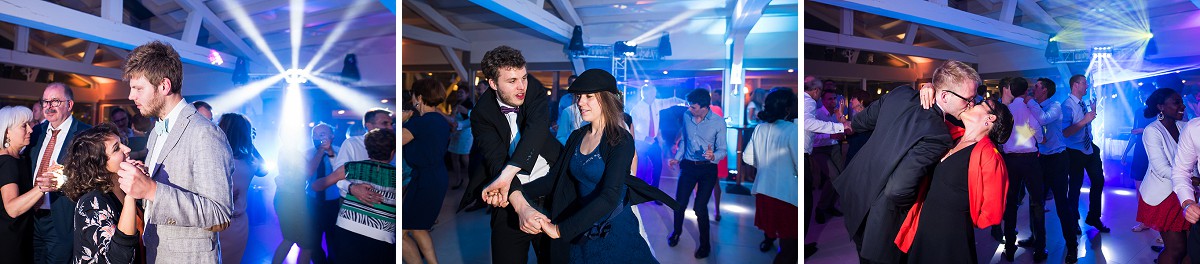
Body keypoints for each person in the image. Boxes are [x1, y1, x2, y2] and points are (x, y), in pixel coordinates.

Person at [504, 68, 676, 263]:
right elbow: (554, 179)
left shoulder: (620, 140)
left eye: (589, 96)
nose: (580, 102)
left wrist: (559, 229)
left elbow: (610, 196)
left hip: (614, 231)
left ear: (606, 99)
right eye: (579, 96)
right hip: (582, 228)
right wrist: (513, 190)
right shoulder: (577, 137)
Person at [834, 60, 979, 263]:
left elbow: (860, 122)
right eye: (968, 99)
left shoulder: (900, 94)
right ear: (945, 95)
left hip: (855, 192)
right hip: (882, 218)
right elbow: (897, 190)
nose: (971, 104)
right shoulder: (938, 134)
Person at [116, 40, 233, 263]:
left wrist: (152, 190)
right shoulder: (156, 131)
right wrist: (144, 177)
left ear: (164, 86)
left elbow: (220, 215)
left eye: (138, 88)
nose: (131, 96)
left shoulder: (204, 133)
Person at [467, 45, 561, 264]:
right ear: (492, 83)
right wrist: (521, 206)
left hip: (552, 188)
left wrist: (504, 176)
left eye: (523, 78)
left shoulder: (534, 89)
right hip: (510, 195)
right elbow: (495, 159)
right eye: (512, 81)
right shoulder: (481, 113)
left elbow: (536, 133)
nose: (521, 87)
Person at [896, 99, 1012, 263]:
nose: (972, 103)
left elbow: (992, 212)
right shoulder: (952, 135)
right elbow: (928, 114)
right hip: (924, 226)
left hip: (951, 236)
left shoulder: (990, 156)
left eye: (981, 103)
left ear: (990, 118)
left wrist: (960, 215)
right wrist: (930, 89)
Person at [24, 82, 93, 264]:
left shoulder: (86, 134)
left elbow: (92, 176)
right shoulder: (36, 132)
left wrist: (62, 181)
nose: (49, 107)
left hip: (63, 218)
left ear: (69, 105)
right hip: (32, 218)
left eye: (55, 101)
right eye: (45, 102)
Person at [310, 129, 397, 263]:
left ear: (367, 149)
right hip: (382, 235)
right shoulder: (398, 176)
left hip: (347, 229)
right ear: (392, 153)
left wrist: (349, 186)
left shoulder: (352, 168)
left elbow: (317, 186)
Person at [61, 124, 139, 264]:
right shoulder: (92, 203)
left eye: (123, 143)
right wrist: (131, 195)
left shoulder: (121, 187)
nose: (127, 149)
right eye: (117, 148)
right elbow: (119, 258)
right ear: (99, 164)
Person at [664, 88, 728, 259]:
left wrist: (714, 155)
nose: (689, 109)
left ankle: (705, 245)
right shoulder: (687, 116)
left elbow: (723, 149)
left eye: (693, 107)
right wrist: (677, 158)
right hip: (688, 167)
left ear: (705, 107)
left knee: (700, 208)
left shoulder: (718, 122)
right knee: (679, 203)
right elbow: (684, 140)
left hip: (708, 169)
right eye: (689, 106)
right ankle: (676, 232)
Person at [398, 78, 451, 264]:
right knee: (419, 228)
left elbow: (395, 142)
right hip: (434, 177)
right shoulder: (438, 119)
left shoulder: (420, 122)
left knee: (400, 233)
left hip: (426, 180)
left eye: (413, 94)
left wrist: (401, 121)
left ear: (419, 97)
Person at [744, 88, 800, 263]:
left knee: (779, 234)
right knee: (789, 246)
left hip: (764, 191)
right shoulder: (792, 130)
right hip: (786, 195)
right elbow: (799, 164)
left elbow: (747, 157)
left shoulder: (760, 128)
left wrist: (766, 166)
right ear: (788, 108)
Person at [1136, 88, 1191, 264]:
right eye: (1176, 102)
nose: (1182, 106)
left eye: (1181, 101)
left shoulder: (1184, 126)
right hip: (1164, 196)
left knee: (1192, 248)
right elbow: (1161, 168)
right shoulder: (1152, 131)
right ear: (1161, 107)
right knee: (1176, 249)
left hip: (1186, 193)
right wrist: (1191, 179)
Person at [1030, 77, 1081, 262]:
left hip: (1058, 159)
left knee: (1061, 204)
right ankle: (1038, 243)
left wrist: (1029, 103)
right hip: (1041, 159)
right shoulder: (1033, 108)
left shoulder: (1055, 106)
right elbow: (1028, 132)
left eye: (1036, 87)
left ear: (1045, 90)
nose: (1033, 89)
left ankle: (1072, 246)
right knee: (1036, 203)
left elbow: (1043, 120)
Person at [997, 77, 1048, 261]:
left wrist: (1015, 139)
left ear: (1010, 89)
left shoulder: (1005, 110)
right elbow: (1041, 137)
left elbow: (1000, 137)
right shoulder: (1030, 109)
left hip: (1010, 161)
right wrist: (1024, 135)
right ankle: (1040, 250)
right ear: (1026, 91)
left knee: (1010, 203)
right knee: (1037, 204)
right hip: (1030, 160)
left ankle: (1009, 249)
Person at [272, 123, 335, 264]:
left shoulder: (287, 151)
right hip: (291, 201)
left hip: (289, 199)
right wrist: (319, 152)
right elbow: (308, 172)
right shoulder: (291, 152)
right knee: (305, 244)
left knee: (294, 241)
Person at [1062, 74, 1111, 234]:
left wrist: (1092, 114)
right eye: (1084, 83)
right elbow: (1065, 132)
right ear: (1075, 85)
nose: (1087, 86)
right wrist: (1085, 120)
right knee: (1075, 187)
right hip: (1074, 151)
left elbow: (1083, 124)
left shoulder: (1082, 103)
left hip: (1089, 148)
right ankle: (1072, 221)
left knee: (1098, 181)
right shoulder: (1067, 106)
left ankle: (1093, 217)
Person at [216, 113, 267, 264]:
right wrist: (250, 142)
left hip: (220, 226)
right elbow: (264, 171)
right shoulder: (250, 162)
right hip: (239, 224)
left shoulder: (222, 161)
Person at [0, 106, 46, 264]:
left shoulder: (19, 158)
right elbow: (12, 209)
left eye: (30, 124)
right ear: (7, 132)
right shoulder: (7, 162)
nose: (31, 130)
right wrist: (42, 188)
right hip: (10, 242)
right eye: (23, 126)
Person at [812, 89, 846, 224]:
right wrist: (830, 135)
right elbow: (813, 138)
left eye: (834, 98)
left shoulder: (837, 114)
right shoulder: (817, 114)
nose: (833, 101)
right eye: (829, 99)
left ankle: (830, 206)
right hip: (820, 149)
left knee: (841, 177)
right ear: (823, 100)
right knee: (833, 177)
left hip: (834, 147)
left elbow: (843, 128)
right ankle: (820, 208)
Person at [447, 89, 472, 189]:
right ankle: (458, 179)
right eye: (458, 93)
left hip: (465, 133)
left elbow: (471, 120)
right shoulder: (455, 104)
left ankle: (470, 178)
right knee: (454, 157)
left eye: (461, 92)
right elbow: (452, 118)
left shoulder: (469, 104)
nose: (459, 94)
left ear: (467, 93)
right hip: (455, 132)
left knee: (464, 158)